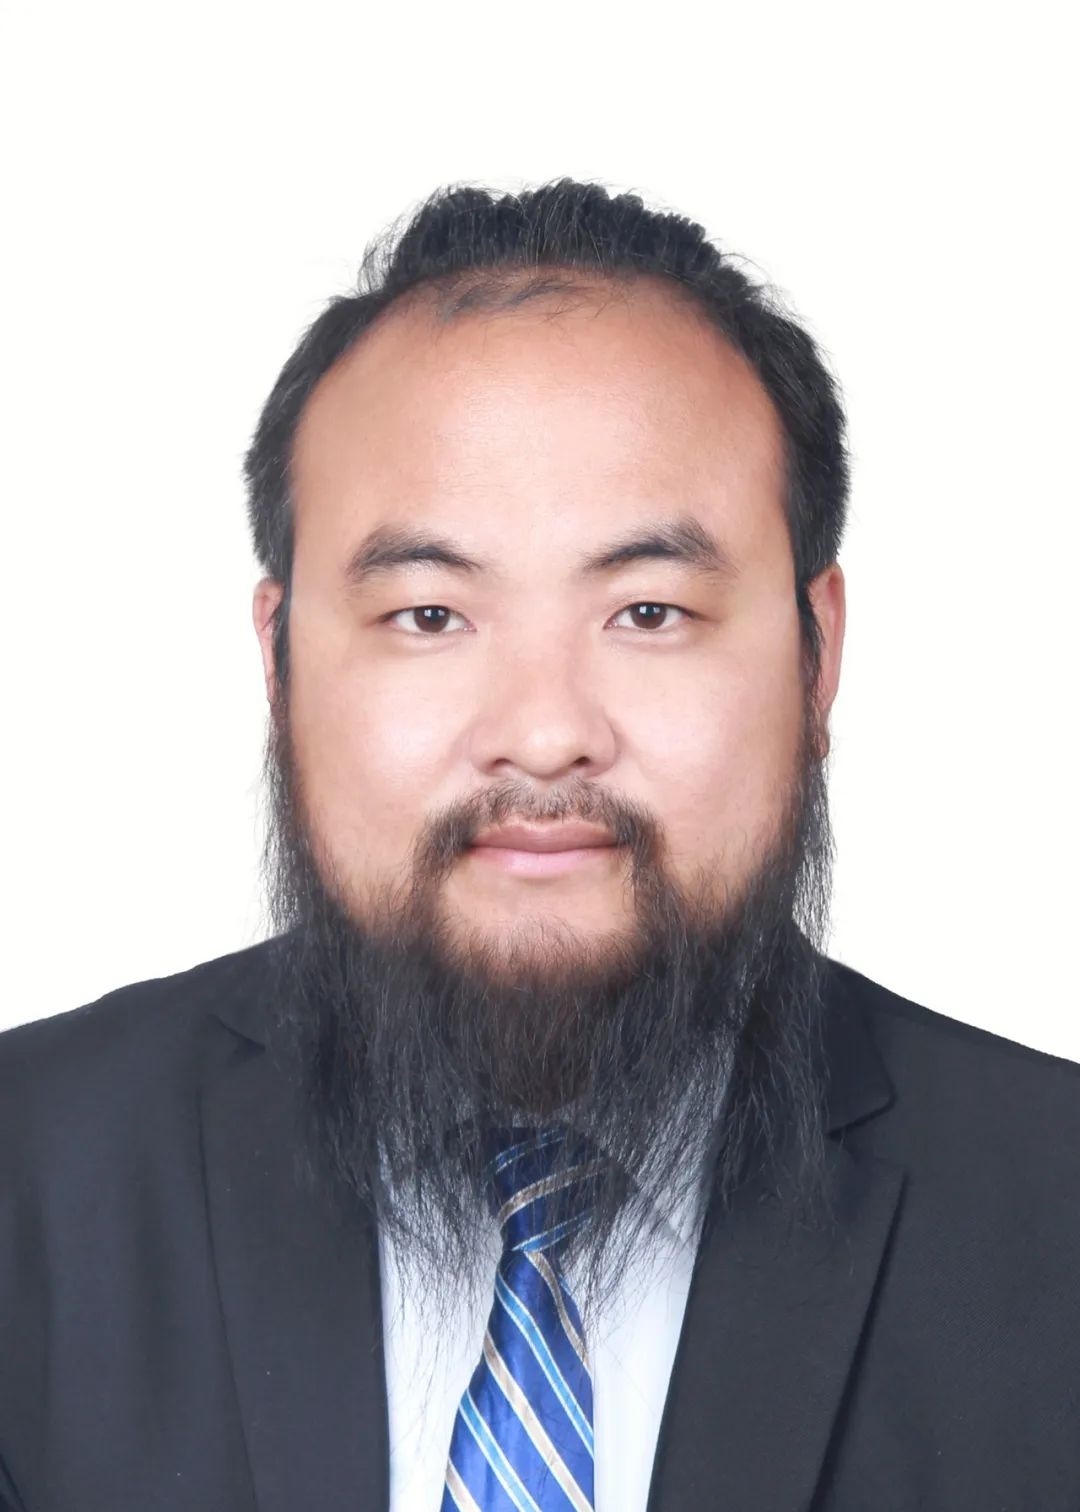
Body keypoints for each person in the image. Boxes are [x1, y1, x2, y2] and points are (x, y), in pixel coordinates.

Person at [1, 178, 1078, 1512]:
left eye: (648, 612)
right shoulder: (27, 1179)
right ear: (279, 665)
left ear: (818, 659)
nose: (546, 733)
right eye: (430, 616)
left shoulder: (1055, 1215)